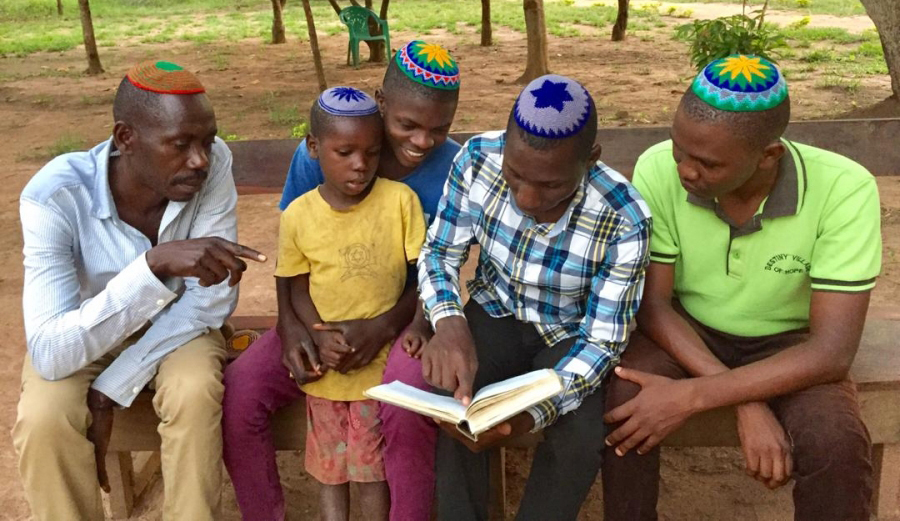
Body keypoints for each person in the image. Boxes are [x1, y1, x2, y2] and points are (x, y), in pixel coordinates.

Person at [601, 55, 880, 521]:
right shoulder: (658, 169)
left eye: (708, 163)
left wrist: (695, 396)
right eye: (679, 151)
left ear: (769, 155)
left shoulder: (845, 190)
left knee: (836, 443)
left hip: (793, 343)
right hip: (688, 329)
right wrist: (746, 401)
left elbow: (832, 351)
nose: (686, 172)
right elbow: (654, 306)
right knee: (628, 406)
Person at [12, 60, 266, 521]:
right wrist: (151, 266)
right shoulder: (55, 195)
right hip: (85, 330)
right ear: (125, 138)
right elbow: (51, 350)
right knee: (45, 420)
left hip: (180, 326)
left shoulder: (212, 166)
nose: (201, 160)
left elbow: (208, 301)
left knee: (193, 390)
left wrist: (112, 386)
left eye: (207, 141)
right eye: (181, 144)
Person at [222, 40, 460, 521]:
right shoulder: (318, 154)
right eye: (407, 125)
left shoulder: (451, 169)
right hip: (317, 320)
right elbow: (294, 258)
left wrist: (385, 327)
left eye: (439, 129)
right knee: (241, 393)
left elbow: (436, 269)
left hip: (407, 319)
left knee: (408, 401)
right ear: (382, 101)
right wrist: (293, 330)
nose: (421, 142)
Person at [418, 74, 652, 521]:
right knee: (450, 399)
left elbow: (602, 340)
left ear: (591, 160)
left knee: (580, 436)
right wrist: (449, 322)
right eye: (515, 175)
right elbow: (439, 253)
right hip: (494, 310)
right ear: (505, 144)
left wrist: (527, 417)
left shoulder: (624, 216)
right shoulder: (476, 159)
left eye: (549, 186)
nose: (526, 198)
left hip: (570, 333)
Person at [274, 86, 426, 521]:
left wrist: (402, 325)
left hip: (377, 366)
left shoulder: (400, 202)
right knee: (329, 470)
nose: (360, 165)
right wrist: (321, 336)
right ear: (314, 147)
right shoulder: (298, 216)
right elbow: (296, 285)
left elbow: (422, 276)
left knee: (370, 471)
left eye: (372, 152)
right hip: (326, 367)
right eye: (344, 152)